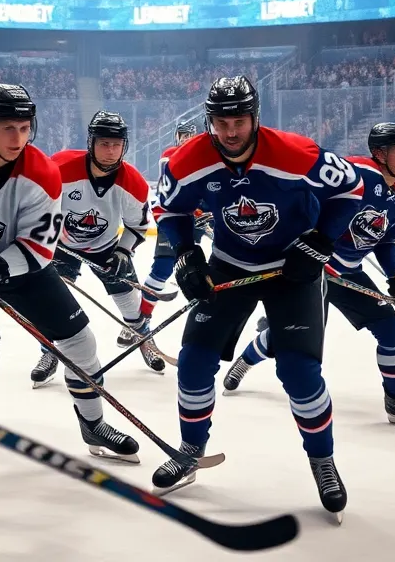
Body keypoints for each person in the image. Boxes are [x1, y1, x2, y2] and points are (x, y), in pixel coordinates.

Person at [0, 84, 139, 532]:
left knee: (80, 341)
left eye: (24, 128)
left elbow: (39, 245)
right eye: (7, 128)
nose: (17, 138)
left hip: (18, 263)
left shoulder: (43, 173)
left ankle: (93, 426)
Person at [153, 76, 363, 521]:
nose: (230, 132)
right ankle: (191, 450)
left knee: (300, 372)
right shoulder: (189, 160)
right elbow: (170, 210)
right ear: (209, 122)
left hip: (293, 269)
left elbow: (350, 191)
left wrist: (320, 243)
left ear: (256, 118)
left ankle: (322, 461)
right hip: (229, 262)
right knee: (193, 362)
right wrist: (187, 254)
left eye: (239, 121)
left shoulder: (294, 153)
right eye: (221, 122)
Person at [222, 123, 395, 429]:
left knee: (390, 330)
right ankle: (246, 361)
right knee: (293, 335)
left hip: (347, 273)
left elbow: (385, 241)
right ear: (379, 153)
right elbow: (310, 200)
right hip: (314, 270)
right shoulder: (358, 173)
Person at [45, 110, 161, 383]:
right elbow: (37, 206)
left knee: (132, 307)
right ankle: (48, 350)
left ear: (124, 146)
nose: (110, 151)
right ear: (91, 143)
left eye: (116, 145)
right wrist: (44, 241)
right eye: (104, 144)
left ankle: (143, 337)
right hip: (62, 244)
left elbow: (136, 225)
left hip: (107, 246)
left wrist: (122, 251)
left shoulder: (133, 182)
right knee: (51, 304)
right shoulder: (60, 168)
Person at [141, 119, 201, 306]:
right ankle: (140, 320)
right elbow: (168, 193)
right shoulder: (170, 155)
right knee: (163, 267)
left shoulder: (209, 156)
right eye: (183, 135)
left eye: (191, 134)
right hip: (174, 217)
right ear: (176, 136)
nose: (187, 139)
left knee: (223, 262)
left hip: (203, 219)